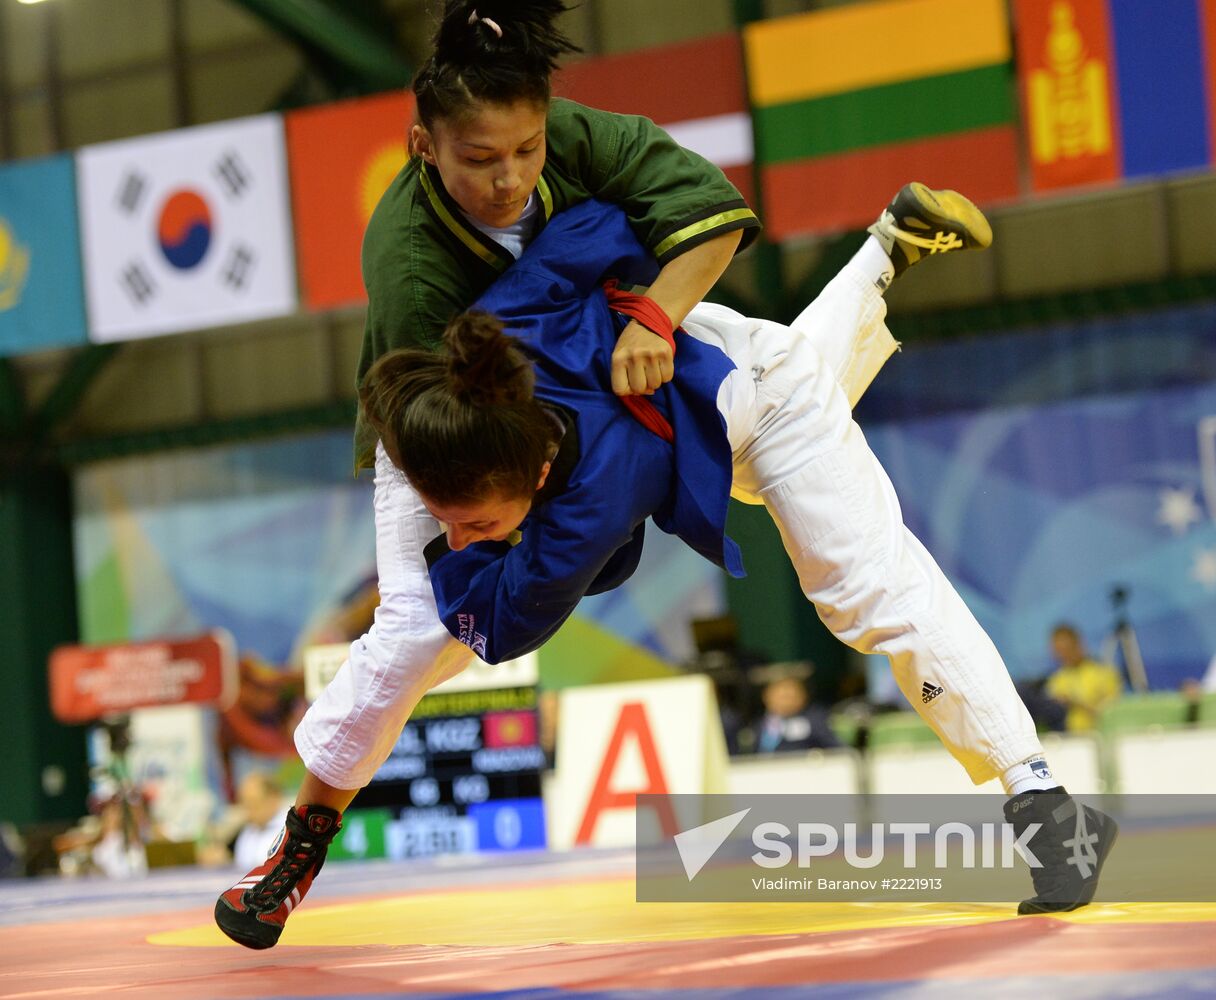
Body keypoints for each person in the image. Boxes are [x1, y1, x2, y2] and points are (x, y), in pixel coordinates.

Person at [359, 186, 1116, 917]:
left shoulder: (595, 497)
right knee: (792, 371)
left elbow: (501, 624)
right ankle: (884, 249)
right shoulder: (500, 328)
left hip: (766, 410)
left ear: (540, 475)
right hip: (732, 357)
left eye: (478, 526)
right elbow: (600, 224)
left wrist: (651, 318)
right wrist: (651, 310)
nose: (455, 541)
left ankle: (1044, 802)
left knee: (867, 589)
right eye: (448, 527)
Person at [215, 0, 758, 950]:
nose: (509, 179)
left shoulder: (574, 136)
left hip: (589, 378)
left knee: (768, 431)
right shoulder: (410, 263)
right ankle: (296, 844)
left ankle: (874, 274)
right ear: (424, 145)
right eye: (478, 159)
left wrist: (658, 320)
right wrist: (502, 509)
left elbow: (712, 221)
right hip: (436, 426)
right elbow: (434, 435)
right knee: (418, 632)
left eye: (526, 150)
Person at [1042, 623, 1122, 732]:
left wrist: (1076, 703)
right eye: (1059, 651)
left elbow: (1113, 713)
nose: (1064, 655)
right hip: (1068, 740)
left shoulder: (1104, 674)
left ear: (1079, 645)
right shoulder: (1056, 679)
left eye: (1067, 649)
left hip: (1101, 736)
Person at [752, 669, 842, 753]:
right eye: (782, 696)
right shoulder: (758, 724)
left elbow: (837, 748)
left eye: (790, 695)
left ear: (803, 696)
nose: (786, 701)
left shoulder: (816, 719)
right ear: (766, 696)